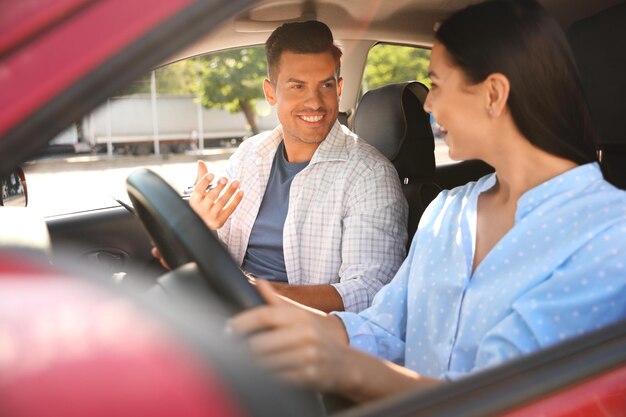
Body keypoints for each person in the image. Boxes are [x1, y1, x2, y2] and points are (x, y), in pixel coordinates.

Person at [230, 0, 626, 403]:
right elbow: (384, 327)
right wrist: (273, 316)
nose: (428, 104)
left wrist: (341, 365)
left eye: (436, 83)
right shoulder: (446, 211)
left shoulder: (610, 237)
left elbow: (502, 399)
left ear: (493, 94)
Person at [154, 20, 408, 313]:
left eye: (325, 85)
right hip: (223, 311)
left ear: (339, 88)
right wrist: (197, 232)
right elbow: (220, 251)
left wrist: (252, 292)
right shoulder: (250, 154)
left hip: (296, 333)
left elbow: (369, 291)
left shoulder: (369, 175)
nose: (314, 102)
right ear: (271, 92)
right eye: (297, 86)